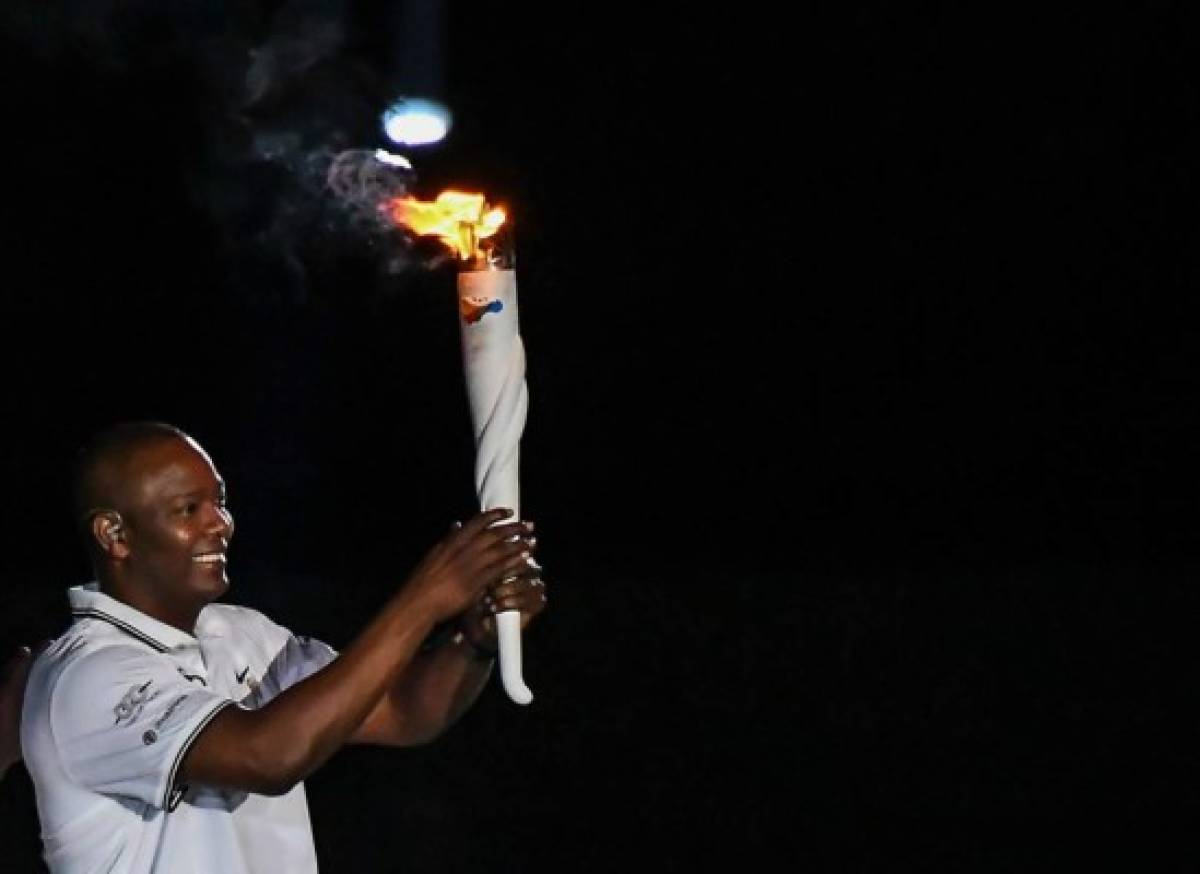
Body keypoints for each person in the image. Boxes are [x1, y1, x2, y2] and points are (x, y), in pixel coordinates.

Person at [21, 421, 546, 873]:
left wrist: (472, 639)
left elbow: (404, 712)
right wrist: (424, 600)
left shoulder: (242, 633)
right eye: (189, 509)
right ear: (115, 535)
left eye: (220, 501)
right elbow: (268, 757)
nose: (220, 524)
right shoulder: (86, 676)